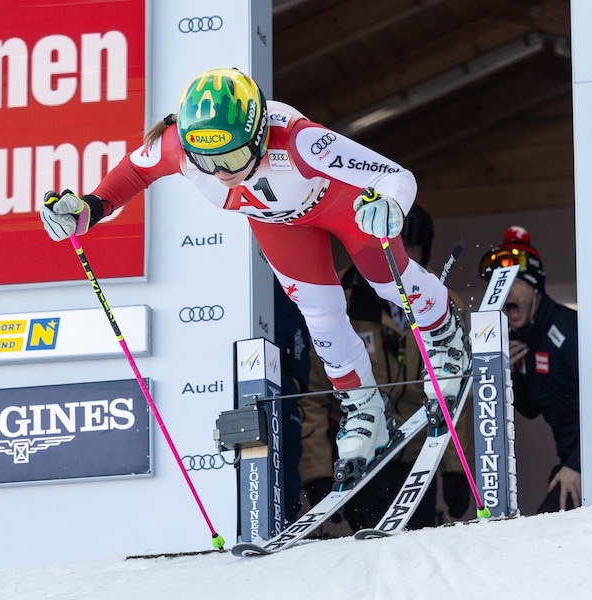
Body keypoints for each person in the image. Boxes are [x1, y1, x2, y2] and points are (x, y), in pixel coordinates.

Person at [39, 67, 469, 476]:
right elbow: (134, 171)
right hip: (278, 224)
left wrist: (389, 205)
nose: (222, 172)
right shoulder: (179, 145)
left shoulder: (300, 141)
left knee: (387, 281)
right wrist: (89, 208)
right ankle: (362, 405)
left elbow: (397, 176)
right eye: (208, 161)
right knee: (320, 314)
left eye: (235, 155)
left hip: (342, 205)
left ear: (260, 137)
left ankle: (443, 334)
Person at [298, 206, 472, 531]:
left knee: (415, 545)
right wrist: (317, 471)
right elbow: (314, 396)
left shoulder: (444, 304)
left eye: (410, 245)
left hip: (419, 454)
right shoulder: (341, 302)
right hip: (366, 452)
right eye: (393, 243)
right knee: (373, 545)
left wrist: (454, 468)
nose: (399, 254)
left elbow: (455, 394)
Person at [479, 227, 580, 513]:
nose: (504, 294)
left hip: (585, 463)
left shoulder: (570, 330)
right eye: (499, 286)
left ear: (535, 286)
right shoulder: (519, 339)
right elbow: (531, 409)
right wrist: (506, 375)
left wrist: (578, 464)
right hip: (572, 462)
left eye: (514, 283)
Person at [273, 279, 311, 525]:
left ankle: (287, 520)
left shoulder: (284, 279)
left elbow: (299, 327)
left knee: (285, 464)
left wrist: (295, 380)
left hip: (281, 385)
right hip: (233, 381)